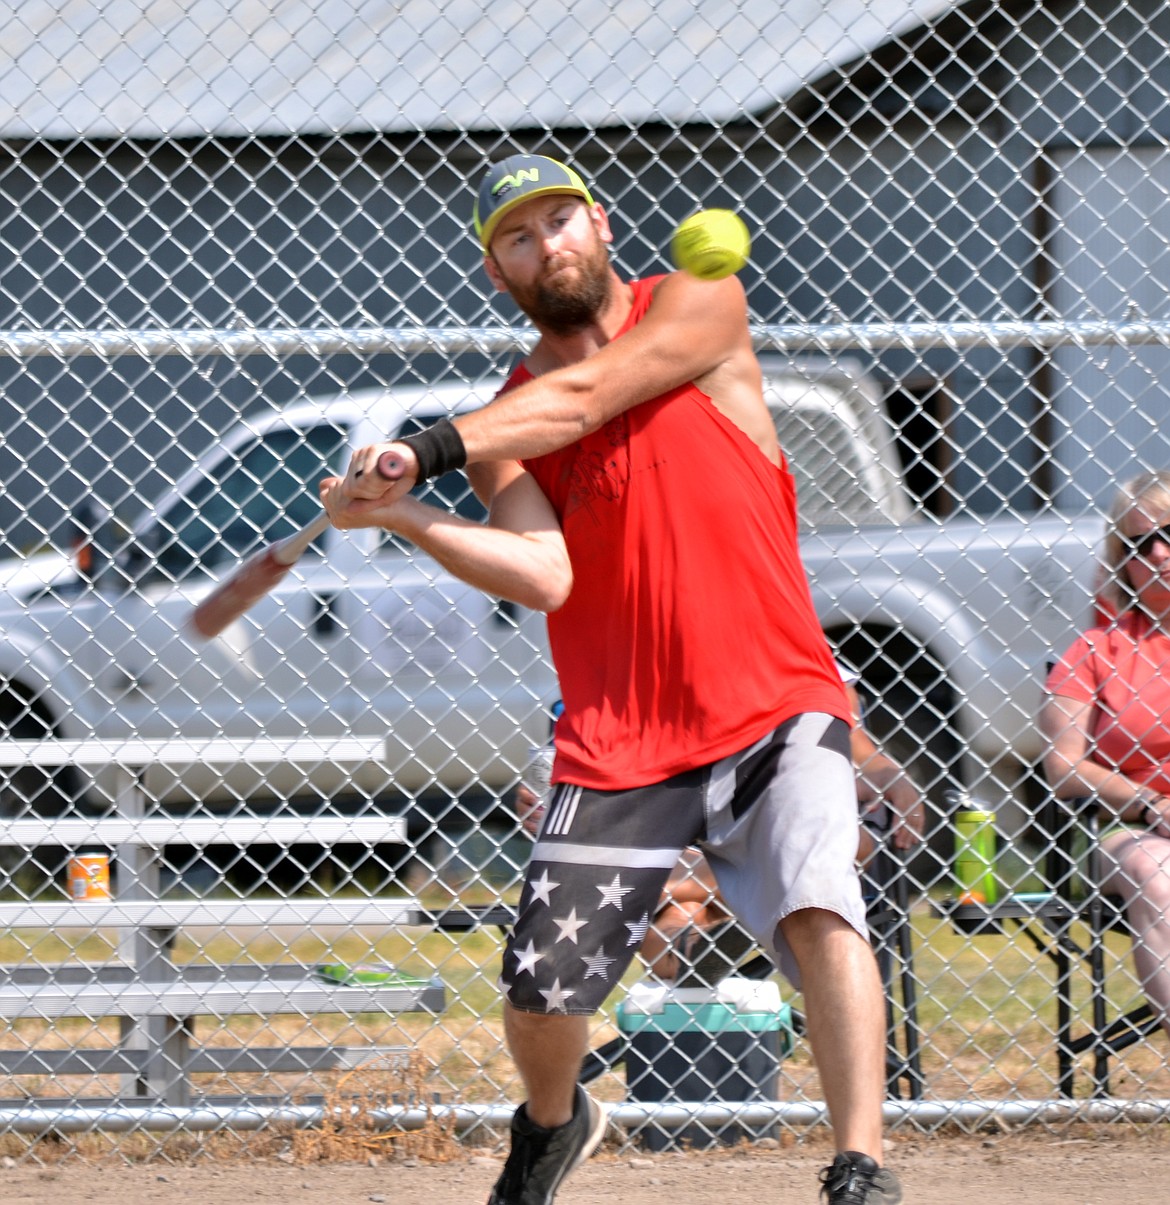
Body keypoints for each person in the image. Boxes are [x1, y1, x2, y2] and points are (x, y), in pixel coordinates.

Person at [321, 153, 903, 1204]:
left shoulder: (697, 302)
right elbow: (541, 572)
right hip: (621, 735)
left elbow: (591, 394)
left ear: (601, 222)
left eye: (560, 218)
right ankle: (554, 1122)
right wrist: (404, 515)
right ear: (499, 272)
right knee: (543, 983)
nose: (548, 244)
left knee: (823, 903)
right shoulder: (508, 419)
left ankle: (859, 1163)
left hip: (777, 697)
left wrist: (423, 449)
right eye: (518, 236)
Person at [515, 671, 925, 985]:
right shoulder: (602, 674)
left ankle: (678, 913)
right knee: (683, 908)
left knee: (669, 895)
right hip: (679, 840)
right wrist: (541, 807)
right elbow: (566, 782)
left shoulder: (794, 649)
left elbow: (860, 749)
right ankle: (696, 940)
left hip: (768, 837)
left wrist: (892, 776)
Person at [1041, 469, 1170, 1039]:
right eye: (1141, 544)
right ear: (1124, 562)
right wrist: (1149, 805)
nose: (1160, 552)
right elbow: (1063, 765)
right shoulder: (1095, 651)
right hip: (1130, 828)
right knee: (1153, 871)